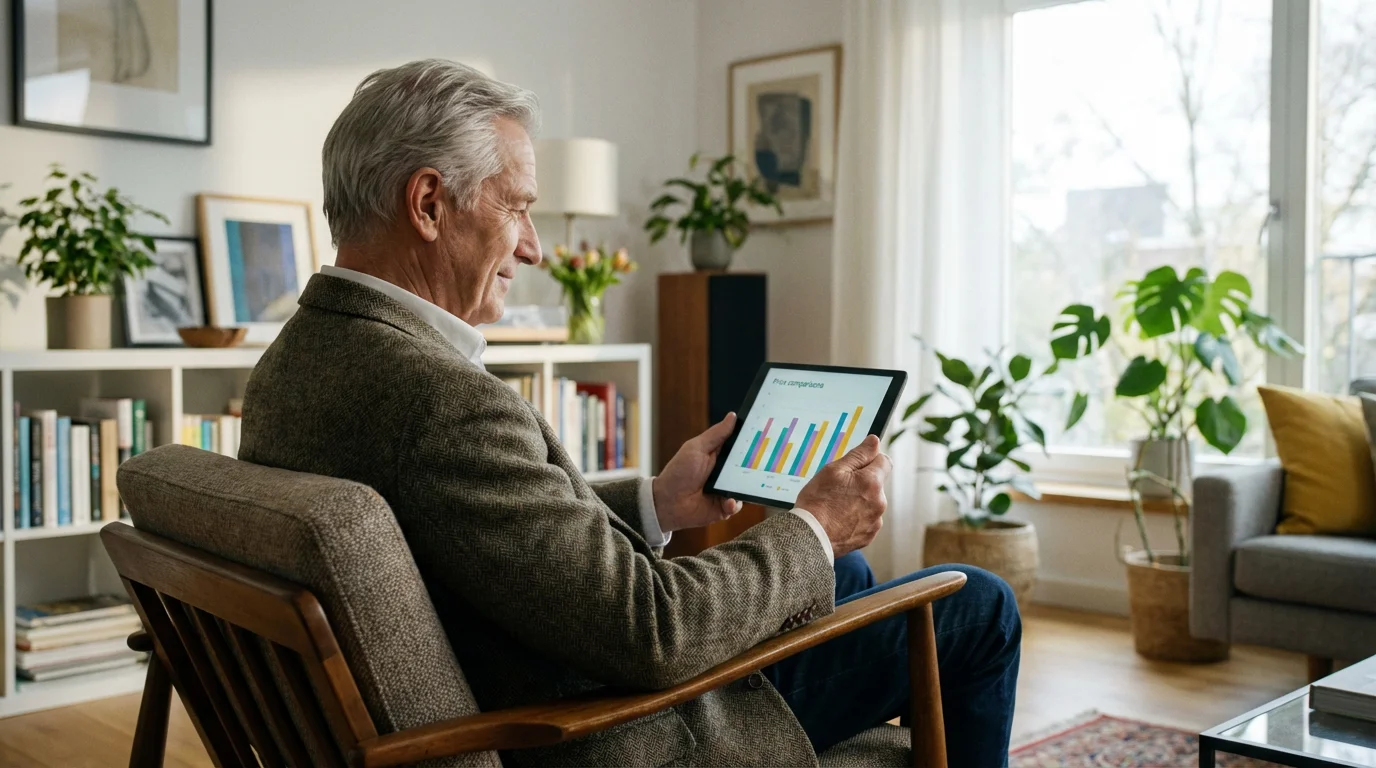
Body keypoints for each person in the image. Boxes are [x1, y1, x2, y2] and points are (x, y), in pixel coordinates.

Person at [238, 58, 1019, 767]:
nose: (535, 247)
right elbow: (654, 630)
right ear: (430, 202)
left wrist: (658, 502)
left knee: (842, 571)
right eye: (517, 208)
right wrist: (811, 524)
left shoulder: (295, 362)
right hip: (623, 732)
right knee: (977, 603)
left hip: (538, 663)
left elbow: (472, 539)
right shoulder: (441, 404)